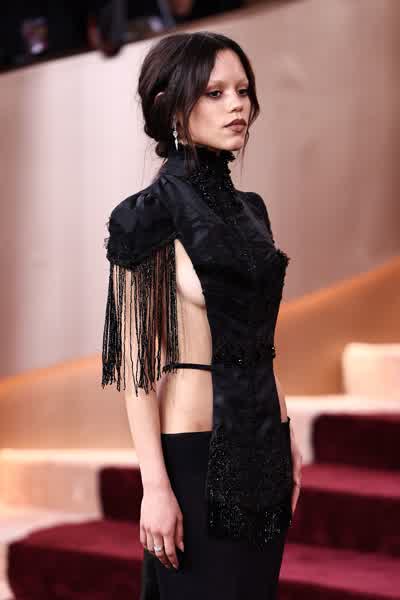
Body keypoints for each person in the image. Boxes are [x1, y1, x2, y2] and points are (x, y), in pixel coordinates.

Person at [101, 31, 303, 600]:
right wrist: (154, 486)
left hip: (266, 442)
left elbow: (257, 334)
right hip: (194, 455)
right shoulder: (146, 215)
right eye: (215, 93)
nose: (236, 105)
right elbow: (138, 367)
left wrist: (286, 433)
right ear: (170, 106)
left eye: (243, 90)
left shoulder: (253, 211)